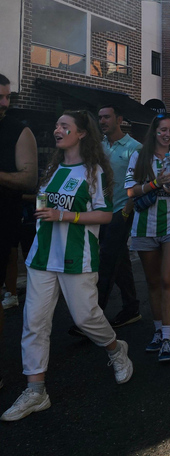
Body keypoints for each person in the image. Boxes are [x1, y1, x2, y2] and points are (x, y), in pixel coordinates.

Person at [0, 110, 133, 421]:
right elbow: (43, 205)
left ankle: (116, 349)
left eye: (64, 126)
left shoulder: (93, 171)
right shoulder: (53, 168)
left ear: (81, 133)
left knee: (86, 318)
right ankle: (36, 390)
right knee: (34, 322)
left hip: (78, 256)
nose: (57, 130)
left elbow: (104, 215)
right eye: (56, 125)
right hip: (42, 256)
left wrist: (64, 216)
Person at [125, 113, 170, 363]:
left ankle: (167, 338)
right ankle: (157, 331)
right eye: (163, 130)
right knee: (153, 283)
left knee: (167, 279)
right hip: (144, 228)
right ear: (154, 131)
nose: (167, 134)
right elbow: (131, 191)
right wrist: (156, 184)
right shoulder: (139, 156)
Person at [0, 73, 38, 385]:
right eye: (0, 97)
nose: (4, 103)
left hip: (5, 219)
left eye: (7, 97)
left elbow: (28, 180)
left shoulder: (17, 131)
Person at [95, 105, 142, 327]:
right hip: (100, 211)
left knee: (105, 261)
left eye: (107, 117)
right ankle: (131, 308)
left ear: (119, 119)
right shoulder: (99, 146)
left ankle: (92, 318)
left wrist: (127, 211)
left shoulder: (135, 148)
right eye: (100, 118)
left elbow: (139, 182)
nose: (102, 121)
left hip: (120, 212)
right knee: (119, 260)